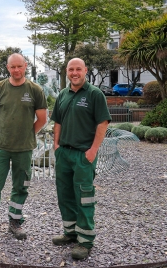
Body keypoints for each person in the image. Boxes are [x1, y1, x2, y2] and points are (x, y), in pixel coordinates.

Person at [0, 53, 47, 240]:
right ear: (7, 68)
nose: (16, 70)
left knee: (21, 186)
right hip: (0, 148)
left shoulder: (34, 90)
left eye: (19, 66)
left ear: (25, 66)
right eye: (12, 67)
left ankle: (15, 223)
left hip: (24, 149)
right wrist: (2, 134)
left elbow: (42, 119)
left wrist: (28, 134)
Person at [51, 58, 111, 260]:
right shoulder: (63, 94)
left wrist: (93, 150)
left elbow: (103, 123)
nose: (74, 73)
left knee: (84, 197)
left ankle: (85, 241)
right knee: (65, 194)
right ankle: (70, 233)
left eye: (78, 69)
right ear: (66, 71)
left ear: (85, 70)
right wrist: (56, 146)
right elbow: (57, 122)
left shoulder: (95, 94)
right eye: (71, 69)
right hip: (64, 154)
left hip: (83, 155)